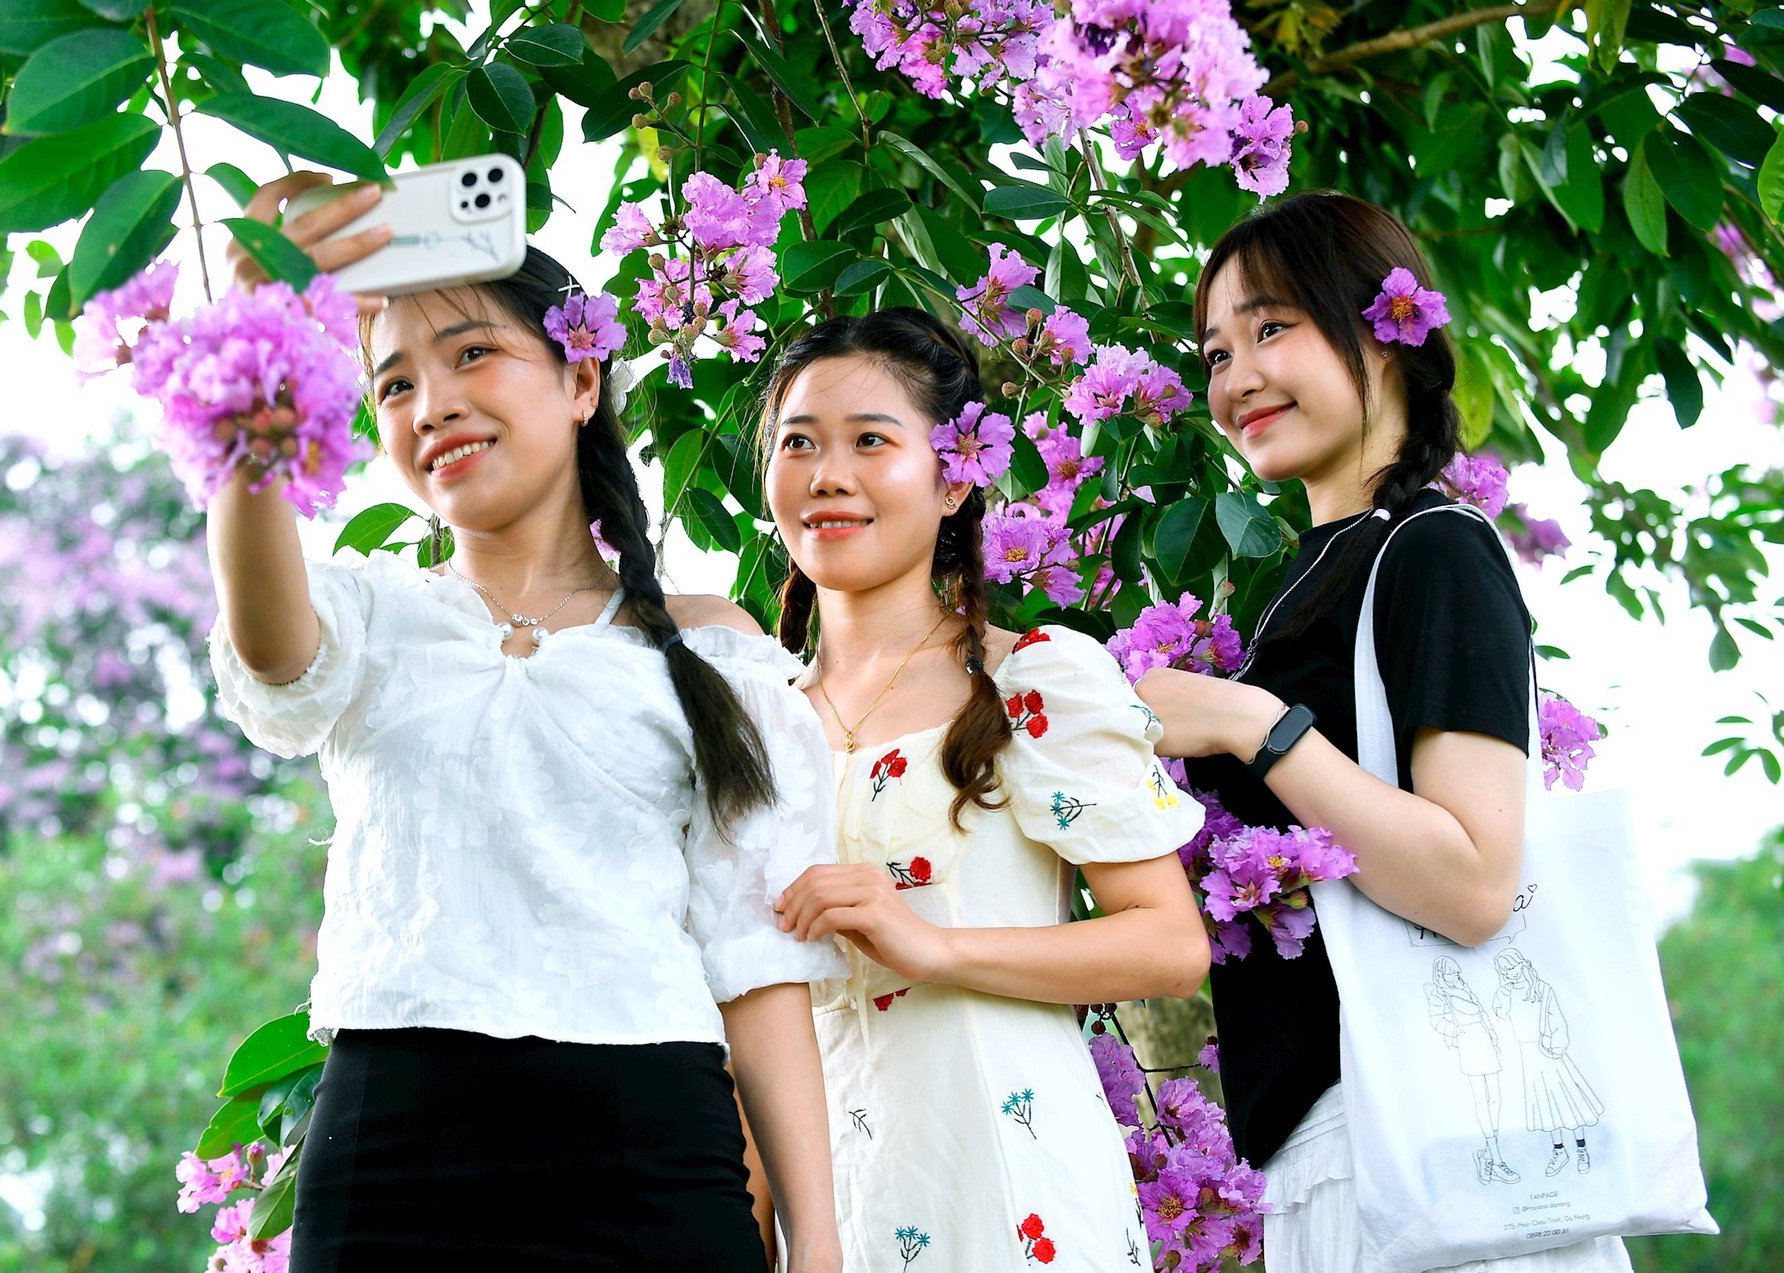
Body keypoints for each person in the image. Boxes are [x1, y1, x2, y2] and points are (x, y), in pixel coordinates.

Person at [208, 175, 846, 1272]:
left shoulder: (710, 649)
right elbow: (270, 648)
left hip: (650, 1155)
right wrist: (257, 344)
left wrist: (821, 1244)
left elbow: (758, 966)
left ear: (581, 375)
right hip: (393, 1155)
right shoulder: (371, 621)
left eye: (469, 355)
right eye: (393, 382)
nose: (431, 404)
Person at [1139, 189, 1629, 1270]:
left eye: (1273, 328)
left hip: (1426, 1144)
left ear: (1389, 329)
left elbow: (1471, 882)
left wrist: (1251, 723)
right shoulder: (1302, 585)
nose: (1237, 378)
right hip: (1338, 1157)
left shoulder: (1436, 550)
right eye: (1215, 351)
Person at [759, 307, 1211, 1270]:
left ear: (956, 474)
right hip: (831, 1221)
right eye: (799, 443)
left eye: (870, 441)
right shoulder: (756, 727)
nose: (827, 473)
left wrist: (932, 943)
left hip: (1015, 1202)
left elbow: (1171, 944)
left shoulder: (1031, 683)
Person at [1493, 948, 1605, 1177]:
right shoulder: (1507, 992)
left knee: (1567, 1101)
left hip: (1548, 1050)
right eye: (1505, 971)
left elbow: (1556, 1018)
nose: (1511, 974)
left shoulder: (1541, 989)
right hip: (1528, 1054)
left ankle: (1582, 1148)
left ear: (1522, 964)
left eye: (1513, 967)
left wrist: (1557, 1045)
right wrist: (1504, 992)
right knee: (1545, 1105)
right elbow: (1500, 1013)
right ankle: (1559, 1150)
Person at [1425, 956, 1518, 1184]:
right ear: (1442, 975)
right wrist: (1456, 1031)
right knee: (1481, 1101)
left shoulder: (1464, 988)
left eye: (1456, 973)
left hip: (1484, 1040)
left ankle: (1487, 1152)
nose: (1455, 977)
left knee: (1495, 1099)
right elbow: (1437, 1019)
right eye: (1451, 974)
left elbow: (1482, 1015)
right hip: (1469, 1044)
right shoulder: (1440, 993)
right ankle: (1496, 1160)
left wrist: (1493, 1036)